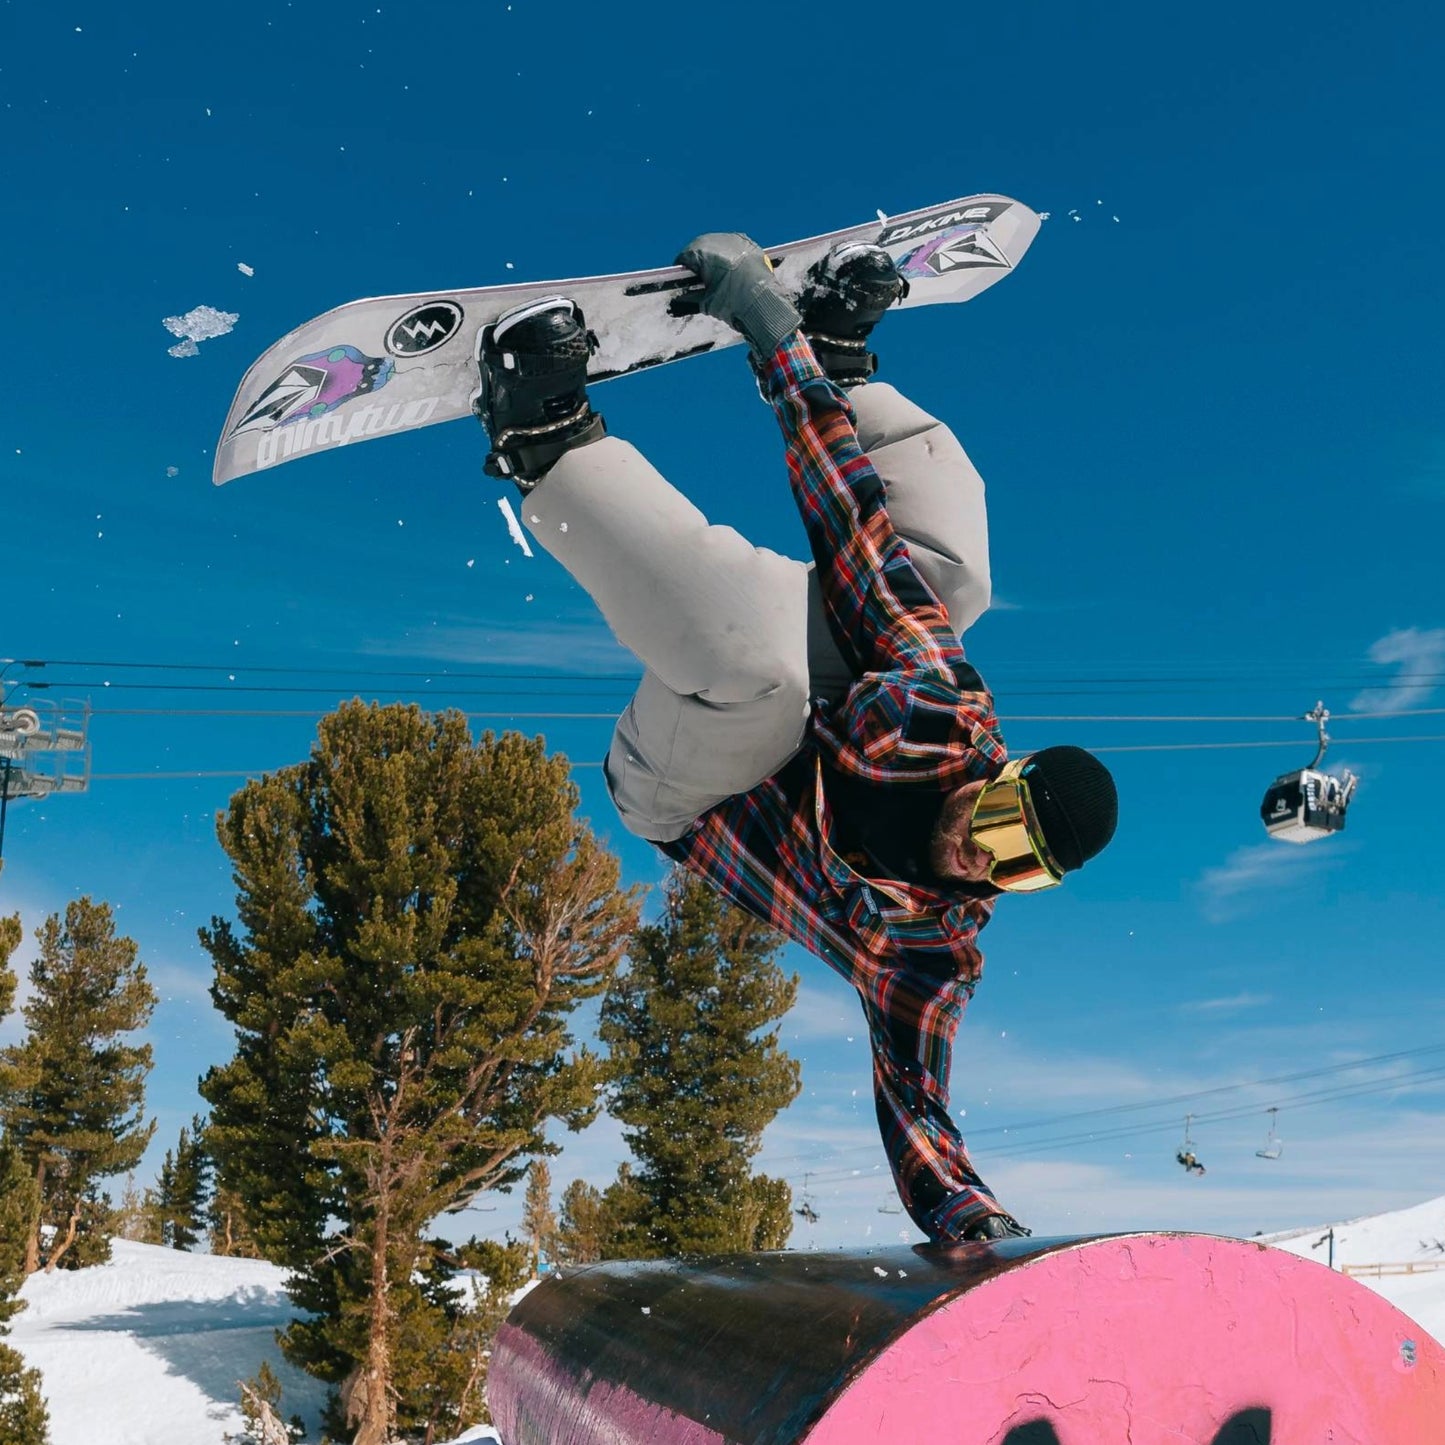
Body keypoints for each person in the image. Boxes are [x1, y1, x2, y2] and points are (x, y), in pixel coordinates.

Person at [470, 232, 1119, 1243]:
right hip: (813, 690)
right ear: (1001, 771)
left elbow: (919, 1107)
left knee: (758, 678)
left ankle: (545, 440)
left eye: (1014, 870)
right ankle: (845, 358)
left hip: (687, 786)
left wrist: (973, 1227)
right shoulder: (933, 703)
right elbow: (849, 523)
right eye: (998, 822)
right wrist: (779, 342)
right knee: (949, 583)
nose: (974, 860)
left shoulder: (925, 952)